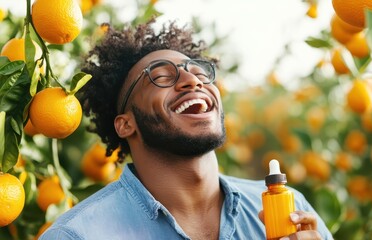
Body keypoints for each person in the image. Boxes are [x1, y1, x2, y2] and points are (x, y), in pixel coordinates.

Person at [40, 20, 333, 240]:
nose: (192, 80)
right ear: (126, 124)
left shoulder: (288, 210)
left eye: (198, 71)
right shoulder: (77, 235)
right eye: (161, 76)